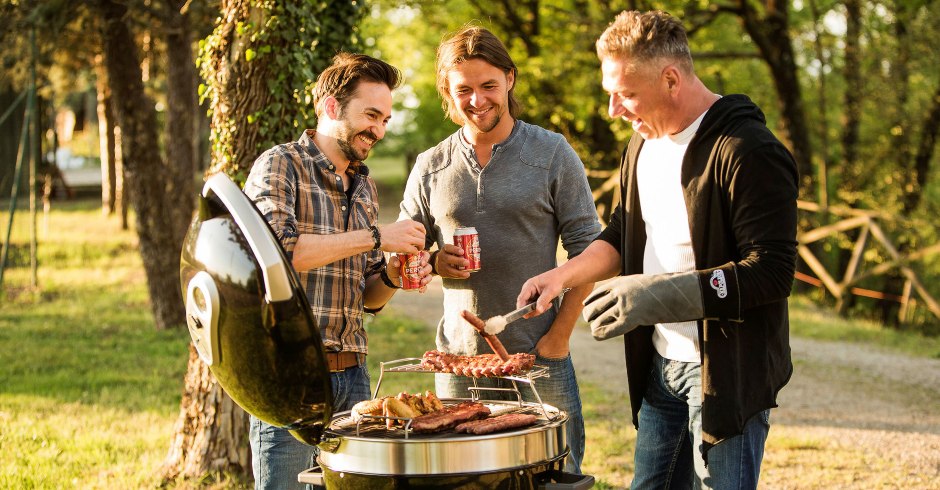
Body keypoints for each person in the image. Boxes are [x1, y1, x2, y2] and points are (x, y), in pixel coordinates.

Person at [517, 10, 798, 489]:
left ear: (671, 78)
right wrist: (564, 275)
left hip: (724, 373)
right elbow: (625, 235)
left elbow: (771, 272)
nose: (614, 110)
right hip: (661, 366)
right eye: (610, 93)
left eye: (625, 94)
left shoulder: (748, 149)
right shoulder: (642, 146)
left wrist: (652, 296)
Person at [397, 26, 601, 474]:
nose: (477, 100)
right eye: (463, 89)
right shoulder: (431, 164)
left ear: (509, 78)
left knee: (555, 475)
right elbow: (405, 248)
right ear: (448, 93)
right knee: (460, 480)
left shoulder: (551, 153)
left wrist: (559, 335)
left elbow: (590, 251)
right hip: (457, 364)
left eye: (488, 85)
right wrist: (431, 261)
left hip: (539, 357)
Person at [243, 53, 431, 490]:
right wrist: (377, 237)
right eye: (370, 115)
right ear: (331, 107)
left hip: (354, 378)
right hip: (291, 376)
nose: (379, 131)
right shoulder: (280, 165)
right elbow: (276, 255)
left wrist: (393, 276)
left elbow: (368, 297)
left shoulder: (362, 185)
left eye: (384, 119)